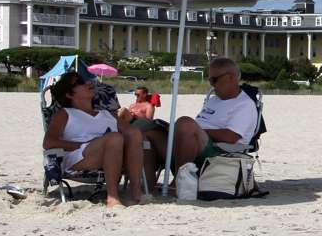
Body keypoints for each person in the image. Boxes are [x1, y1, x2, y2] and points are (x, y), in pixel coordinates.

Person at [43, 71, 147, 208]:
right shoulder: (65, 114)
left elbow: (132, 132)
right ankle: (112, 197)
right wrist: (78, 145)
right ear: (69, 94)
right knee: (114, 138)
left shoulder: (107, 114)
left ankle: (136, 192)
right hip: (80, 156)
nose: (87, 83)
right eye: (79, 82)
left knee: (133, 134)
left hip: (113, 152)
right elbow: (48, 142)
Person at [156, 57, 258, 191]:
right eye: (210, 80)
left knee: (185, 123)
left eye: (214, 80)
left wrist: (198, 130)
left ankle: (179, 181)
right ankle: (144, 186)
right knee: (152, 131)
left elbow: (231, 137)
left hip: (219, 150)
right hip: (196, 141)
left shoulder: (244, 105)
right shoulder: (214, 100)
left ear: (230, 78)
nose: (211, 84)